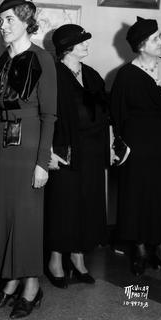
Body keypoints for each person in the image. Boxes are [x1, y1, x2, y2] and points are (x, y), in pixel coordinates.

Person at [0, 0, 57, 319]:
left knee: (26, 220)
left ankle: (31, 287)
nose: (3, 26)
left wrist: (42, 162)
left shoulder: (43, 59)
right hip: (0, 148)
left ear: (27, 22)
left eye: (10, 19)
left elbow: (50, 115)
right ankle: (9, 282)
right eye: (1, 20)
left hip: (28, 150)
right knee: (2, 216)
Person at [110, 16, 161, 278]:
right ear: (142, 45)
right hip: (138, 147)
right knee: (139, 198)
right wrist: (120, 149)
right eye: (157, 38)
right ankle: (141, 252)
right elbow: (117, 116)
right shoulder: (125, 76)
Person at [44, 24, 111, 288]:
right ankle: (56, 260)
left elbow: (105, 112)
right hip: (64, 151)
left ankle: (79, 257)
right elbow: (44, 116)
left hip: (92, 152)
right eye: (82, 41)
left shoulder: (93, 75)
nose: (87, 45)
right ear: (67, 47)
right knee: (64, 207)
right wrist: (47, 151)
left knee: (88, 205)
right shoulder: (52, 75)